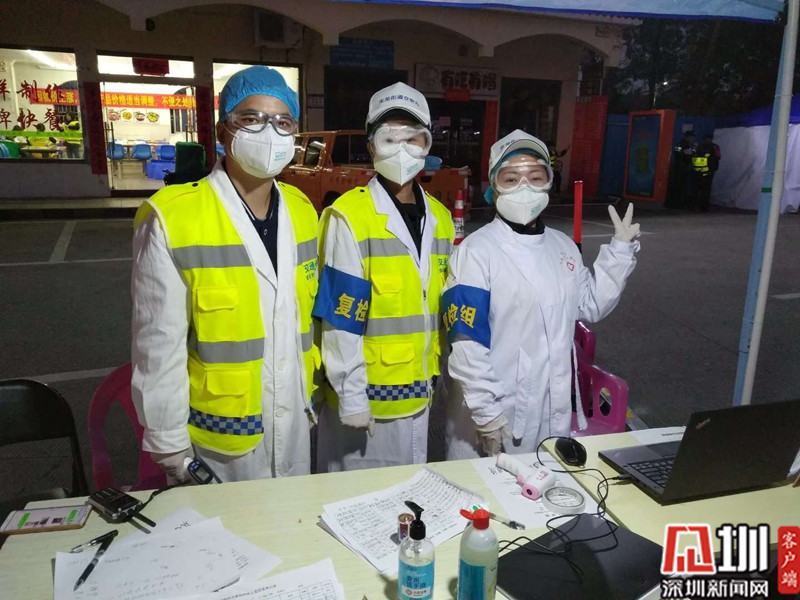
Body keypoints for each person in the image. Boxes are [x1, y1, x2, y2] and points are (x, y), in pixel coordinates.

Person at [131, 66, 320, 483]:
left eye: (283, 122)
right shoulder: (174, 216)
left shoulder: (304, 210)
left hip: (292, 418)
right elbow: (158, 342)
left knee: (293, 519)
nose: (269, 132)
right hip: (219, 434)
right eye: (252, 119)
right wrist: (167, 439)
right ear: (223, 131)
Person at [443, 130, 641, 459]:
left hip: (552, 407)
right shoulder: (476, 252)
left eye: (536, 177)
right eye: (511, 179)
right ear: (494, 188)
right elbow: (465, 342)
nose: (525, 187)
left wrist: (620, 252)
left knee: (545, 481)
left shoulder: (562, 246)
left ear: (549, 182)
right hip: (494, 410)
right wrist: (485, 412)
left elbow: (591, 305)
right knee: (484, 489)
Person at [313, 82, 455, 471]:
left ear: (427, 146)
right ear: (372, 147)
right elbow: (340, 318)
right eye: (390, 138)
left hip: (419, 390)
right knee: (358, 494)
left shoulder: (440, 219)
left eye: (414, 138)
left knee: (409, 489)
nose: (402, 148)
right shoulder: (350, 216)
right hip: (366, 399)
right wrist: (351, 395)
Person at [667, 130, 696, 209]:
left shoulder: (690, 146)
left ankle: (678, 203)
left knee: (682, 187)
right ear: (688, 137)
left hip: (684, 169)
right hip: (680, 169)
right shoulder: (682, 145)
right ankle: (676, 203)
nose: (693, 139)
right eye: (691, 137)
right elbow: (679, 155)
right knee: (679, 186)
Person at [691, 134, 719, 213]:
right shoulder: (715, 147)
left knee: (696, 189)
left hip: (698, 170)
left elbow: (692, 156)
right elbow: (718, 156)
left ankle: (694, 206)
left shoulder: (697, 146)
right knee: (705, 189)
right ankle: (703, 207)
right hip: (708, 171)